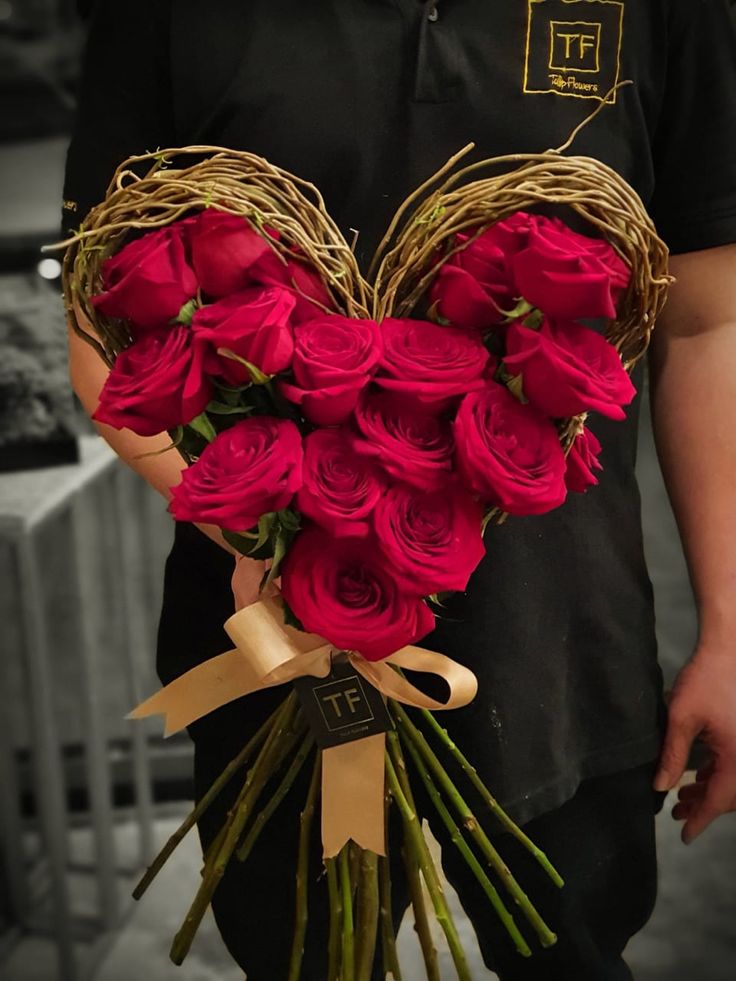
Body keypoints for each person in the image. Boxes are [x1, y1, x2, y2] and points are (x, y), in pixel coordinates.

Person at [60, 2, 736, 978]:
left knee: (572, 949)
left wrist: (727, 627)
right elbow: (99, 320)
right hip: (271, 630)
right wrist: (273, 539)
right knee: (309, 951)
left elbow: (706, 326)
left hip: (561, 637)